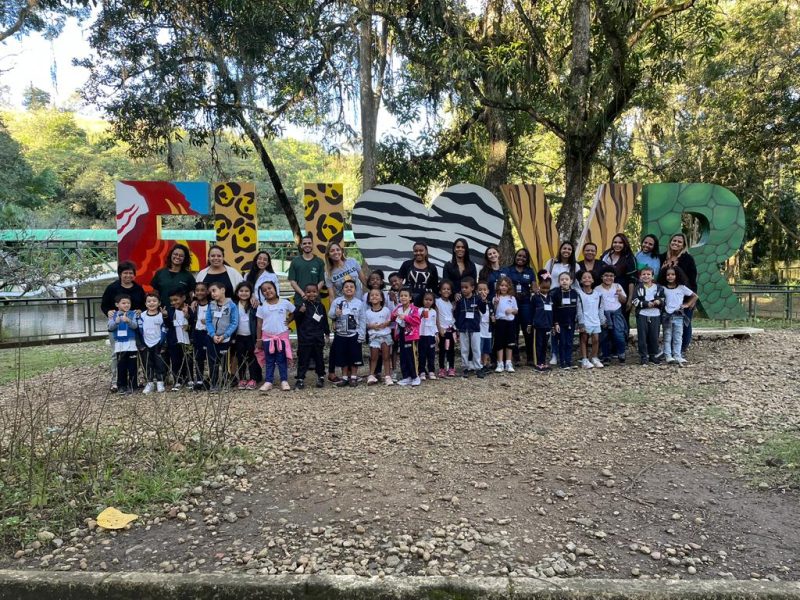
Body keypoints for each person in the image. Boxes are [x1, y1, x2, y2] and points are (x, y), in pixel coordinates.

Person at [101, 261, 146, 392]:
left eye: (131, 273)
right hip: (116, 325)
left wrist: (140, 311)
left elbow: (144, 305)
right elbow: (104, 305)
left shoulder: (138, 288)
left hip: (132, 325)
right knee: (116, 353)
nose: (128, 275)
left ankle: (134, 380)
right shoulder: (112, 288)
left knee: (134, 352)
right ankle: (116, 382)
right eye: (125, 273)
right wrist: (108, 312)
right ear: (120, 274)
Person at [660, 233, 698, 354]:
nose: (676, 243)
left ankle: (681, 348)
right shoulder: (662, 257)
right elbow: (659, 277)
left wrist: (691, 301)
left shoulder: (687, 259)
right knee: (668, 324)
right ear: (670, 242)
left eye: (679, 242)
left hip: (684, 296)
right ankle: (668, 349)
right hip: (668, 296)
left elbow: (692, 280)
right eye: (674, 241)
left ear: (683, 245)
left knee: (684, 323)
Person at [256, 280, 295, 392]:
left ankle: (284, 380)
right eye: (264, 290)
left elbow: (294, 311)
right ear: (262, 293)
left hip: (281, 337)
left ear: (275, 288)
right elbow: (259, 323)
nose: (267, 291)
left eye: (269, 288)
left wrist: (289, 320)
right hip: (267, 338)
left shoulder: (284, 302)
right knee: (269, 360)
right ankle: (268, 381)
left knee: (281, 359)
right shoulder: (262, 306)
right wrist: (259, 339)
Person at [328, 280, 365, 386]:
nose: (349, 288)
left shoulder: (359, 303)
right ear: (342, 289)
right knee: (342, 356)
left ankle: (353, 377)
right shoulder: (337, 301)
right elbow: (330, 315)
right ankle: (344, 377)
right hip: (340, 334)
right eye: (346, 287)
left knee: (355, 356)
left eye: (351, 287)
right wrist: (336, 313)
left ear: (355, 289)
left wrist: (361, 334)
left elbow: (362, 319)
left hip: (354, 334)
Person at [658, 266, 698, 365]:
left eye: (673, 274)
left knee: (678, 337)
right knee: (667, 336)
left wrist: (687, 304)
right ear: (664, 276)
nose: (670, 276)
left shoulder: (682, 287)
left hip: (679, 316)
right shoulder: (662, 288)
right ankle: (668, 355)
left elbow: (695, 296)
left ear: (677, 275)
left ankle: (677, 355)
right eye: (668, 275)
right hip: (666, 316)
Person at [601, 233, 638, 338]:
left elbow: (632, 280)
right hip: (606, 293)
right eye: (615, 242)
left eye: (620, 242)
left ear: (625, 244)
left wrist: (629, 299)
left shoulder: (629, 258)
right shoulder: (606, 255)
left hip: (622, 294)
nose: (617, 245)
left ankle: (622, 345)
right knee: (606, 319)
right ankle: (608, 346)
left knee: (621, 319)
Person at [294, 283, 330, 389]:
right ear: (304, 293)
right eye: (308, 292)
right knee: (303, 359)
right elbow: (297, 320)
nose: (311, 294)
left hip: (318, 337)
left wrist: (327, 332)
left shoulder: (321, 306)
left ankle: (321, 377)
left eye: (314, 291)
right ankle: (300, 379)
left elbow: (324, 320)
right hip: (305, 338)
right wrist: (300, 312)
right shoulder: (302, 306)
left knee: (319, 358)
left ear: (317, 292)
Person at [205, 281, 239, 391]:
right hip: (212, 338)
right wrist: (212, 334)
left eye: (214, 290)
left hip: (225, 339)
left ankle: (225, 383)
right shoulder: (211, 305)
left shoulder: (232, 305)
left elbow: (234, 322)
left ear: (223, 290)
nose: (212, 294)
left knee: (225, 363)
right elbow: (208, 321)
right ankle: (214, 384)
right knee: (213, 361)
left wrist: (225, 335)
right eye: (211, 292)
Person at [505, 248, 535, 365]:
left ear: (527, 259)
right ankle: (516, 357)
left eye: (524, 257)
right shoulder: (508, 270)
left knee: (527, 329)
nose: (521, 258)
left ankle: (530, 357)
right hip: (512, 302)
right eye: (519, 256)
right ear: (515, 256)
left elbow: (534, 286)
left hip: (526, 303)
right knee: (513, 329)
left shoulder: (529, 271)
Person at [631, 266, 665, 365]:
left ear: (653, 276)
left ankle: (653, 354)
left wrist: (659, 301)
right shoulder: (638, 287)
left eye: (648, 274)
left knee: (654, 335)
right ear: (640, 276)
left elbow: (663, 299)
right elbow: (635, 300)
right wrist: (646, 304)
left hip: (655, 314)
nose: (646, 276)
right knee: (642, 336)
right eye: (644, 274)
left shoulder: (658, 288)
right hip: (642, 314)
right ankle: (643, 356)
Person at [453, 276, 486, 378]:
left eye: (466, 287)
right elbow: (456, 314)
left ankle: (478, 368)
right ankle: (465, 367)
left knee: (476, 349)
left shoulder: (478, 299)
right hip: (463, 328)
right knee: (464, 349)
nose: (463, 289)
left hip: (475, 328)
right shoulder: (460, 301)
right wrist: (458, 327)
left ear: (472, 288)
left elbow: (483, 311)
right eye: (462, 287)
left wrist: (483, 301)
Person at [108, 294, 139, 394]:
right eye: (124, 303)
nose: (126, 305)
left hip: (131, 343)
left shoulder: (132, 314)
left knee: (132, 366)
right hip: (119, 344)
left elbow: (135, 326)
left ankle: (133, 386)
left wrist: (128, 321)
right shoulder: (113, 315)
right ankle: (121, 386)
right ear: (117, 304)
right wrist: (116, 322)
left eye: (128, 303)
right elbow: (110, 328)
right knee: (121, 366)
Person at [164, 289, 195, 391]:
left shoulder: (189, 309)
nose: (174, 302)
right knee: (175, 360)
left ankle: (190, 379)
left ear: (183, 298)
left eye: (176, 300)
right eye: (172, 301)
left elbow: (193, 322)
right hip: (174, 340)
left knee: (188, 360)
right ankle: (178, 380)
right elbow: (168, 324)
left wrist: (187, 315)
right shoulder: (170, 310)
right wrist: (165, 316)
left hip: (187, 339)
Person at [391, 288, 422, 386]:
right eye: (401, 296)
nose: (403, 297)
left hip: (411, 336)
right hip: (401, 334)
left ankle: (415, 376)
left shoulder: (414, 309)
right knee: (403, 356)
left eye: (405, 296)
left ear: (410, 298)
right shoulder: (398, 308)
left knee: (412, 356)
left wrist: (406, 317)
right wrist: (394, 315)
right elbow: (392, 317)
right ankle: (406, 376)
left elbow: (417, 321)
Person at [362, 288, 394, 386]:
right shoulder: (367, 312)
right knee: (373, 357)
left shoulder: (386, 310)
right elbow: (365, 324)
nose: (374, 297)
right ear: (369, 299)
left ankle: (388, 376)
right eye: (372, 295)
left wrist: (385, 323)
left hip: (385, 335)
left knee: (386, 356)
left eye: (377, 295)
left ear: (381, 298)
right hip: (374, 337)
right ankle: (371, 375)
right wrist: (372, 326)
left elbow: (390, 320)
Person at [597, 267, 628, 363]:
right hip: (604, 314)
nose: (608, 278)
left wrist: (620, 295)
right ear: (602, 277)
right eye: (606, 276)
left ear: (614, 277)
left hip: (616, 313)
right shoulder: (598, 289)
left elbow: (624, 301)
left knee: (619, 334)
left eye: (611, 276)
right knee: (604, 336)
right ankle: (606, 355)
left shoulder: (617, 286)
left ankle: (621, 352)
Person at [233, 281, 260, 390]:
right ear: (237, 292)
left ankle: (253, 379)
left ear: (251, 293)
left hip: (251, 337)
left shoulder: (254, 305)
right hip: (238, 336)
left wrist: (259, 337)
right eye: (241, 291)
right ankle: (242, 378)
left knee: (252, 358)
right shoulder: (233, 305)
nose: (244, 293)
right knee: (240, 358)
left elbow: (259, 321)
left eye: (247, 291)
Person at [576, 271, 605, 369]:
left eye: (589, 277)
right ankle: (584, 359)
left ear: (592, 280)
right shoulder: (579, 294)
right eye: (584, 277)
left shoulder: (598, 294)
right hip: (585, 320)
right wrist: (581, 323)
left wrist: (602, 320)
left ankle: (594, 357)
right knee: (584, 339)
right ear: (581, 280)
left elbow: (600, 308)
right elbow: (579, 309)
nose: (587, 279)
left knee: (596, 339)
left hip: (595, 320)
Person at [140, 292, 166, 394]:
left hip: (157, 343)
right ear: (145, 304)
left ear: (159, 303)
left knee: (159, 363)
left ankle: (160, 381)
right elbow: (139, 329)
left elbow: (165, 329)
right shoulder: (142, 316)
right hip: (146, 343)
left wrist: (163, 343)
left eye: (154, 301)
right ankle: (149, 382)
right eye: (149, 301)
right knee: (147, 363)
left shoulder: (161, 316)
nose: (152, 303)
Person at [397, 241, 439, 306]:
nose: (418, 253)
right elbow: (399, 281)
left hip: (425, 302)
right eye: (416, 251)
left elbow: (434, 287)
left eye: (421, 250)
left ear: (426, 252)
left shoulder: (432, 267)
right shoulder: (407, 264)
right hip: (408, 301)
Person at [552, 272, 579, 370]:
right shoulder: (556, 294)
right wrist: (555, 323)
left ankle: (569, 361)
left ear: (571, 281)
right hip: (560, 323)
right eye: (562, 279)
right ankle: (562, 362)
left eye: (566, 279)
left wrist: (577, 322)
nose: (564, 281)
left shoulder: (574, 293)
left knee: (569, 342)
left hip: (571, 323)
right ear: (559, 281)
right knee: (562, 342)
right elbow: (554, 310)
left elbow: (577, 309)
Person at [492, 275, 518, 373]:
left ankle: (508, 362)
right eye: (501, 285)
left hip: (510, 322)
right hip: (500, 322)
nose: (503, 287)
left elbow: (516, 311)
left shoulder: (512, 298)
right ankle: (500, 363)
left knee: (510, 342)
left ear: (509, 287)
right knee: (499, 342)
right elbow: (494, 311)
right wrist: (495, 303)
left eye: (506, 286)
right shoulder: (496, 298)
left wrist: (511, 310)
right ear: (498, 286)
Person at [287, 235, 325, 303]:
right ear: (301, 245)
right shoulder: (295, 261)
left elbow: (322, 281)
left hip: (315, 301)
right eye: (304, 243)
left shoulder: (319, 261)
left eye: (309, 243)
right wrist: (303, 294)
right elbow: (292, 281)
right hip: (299, 300)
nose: (307, 245)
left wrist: (313, 294)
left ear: (312, 245)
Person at [529, 270, 553, 371]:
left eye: (548, 288)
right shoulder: (535, 298)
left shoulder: (551, 298)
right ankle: (537, 362)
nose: (545, 290)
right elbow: (531, 311)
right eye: (543, 288)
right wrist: (530, 324)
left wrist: (553, 324)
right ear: (539, 285)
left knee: (544, 344)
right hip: (538, 325)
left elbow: (553, 312)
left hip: (547, 325)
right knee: (537, 344)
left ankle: (543, 361)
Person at [191, 281, 211, 391]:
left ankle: (211, 379)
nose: (200, 292)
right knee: (198, 357)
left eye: (202, 290)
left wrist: (208, 323)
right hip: (197, 333)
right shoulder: (193, 305)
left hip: (208, 334)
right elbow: (190, 319)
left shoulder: (212, 305)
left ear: (207, 291)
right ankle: (199, 379)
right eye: (197, 290)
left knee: (210, 357)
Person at [436, 280, 457, 378]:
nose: (446, 291)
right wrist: (439, 328)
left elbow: (452, 317)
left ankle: (451, 367)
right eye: (444, 289)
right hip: (442, 330)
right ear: (440, 291)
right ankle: (441, 368)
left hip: (450, 330)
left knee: (451, 350)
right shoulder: (437, 302)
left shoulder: (451, 304)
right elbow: (436, 316)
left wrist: (455, 329)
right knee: (442, 350)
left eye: (448, 289)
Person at [417, 292, 438, 380]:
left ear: (433, 301)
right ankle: (421, 371)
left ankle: (431, 371)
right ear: (422, 300)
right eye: (426, 299)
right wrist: (421, 315)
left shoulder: (433, 311)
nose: (428, 302)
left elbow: (434, 323)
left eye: (430, 300)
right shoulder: (419, 310)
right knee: (422, 354)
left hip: (430, 335)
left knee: (431, 354)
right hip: (421, 335)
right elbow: (416, 321)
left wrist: (436, 334)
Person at [476, 281, 493, 374]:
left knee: (487, 347)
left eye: (485, 290)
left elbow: (492, 313)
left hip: (488, 329)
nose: (482, 292)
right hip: (479, 329)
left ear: (488, 291)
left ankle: (486, 363)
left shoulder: (490, 303)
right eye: (480, 290)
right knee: (480, 347)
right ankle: (480, 364)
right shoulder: (476, 302)